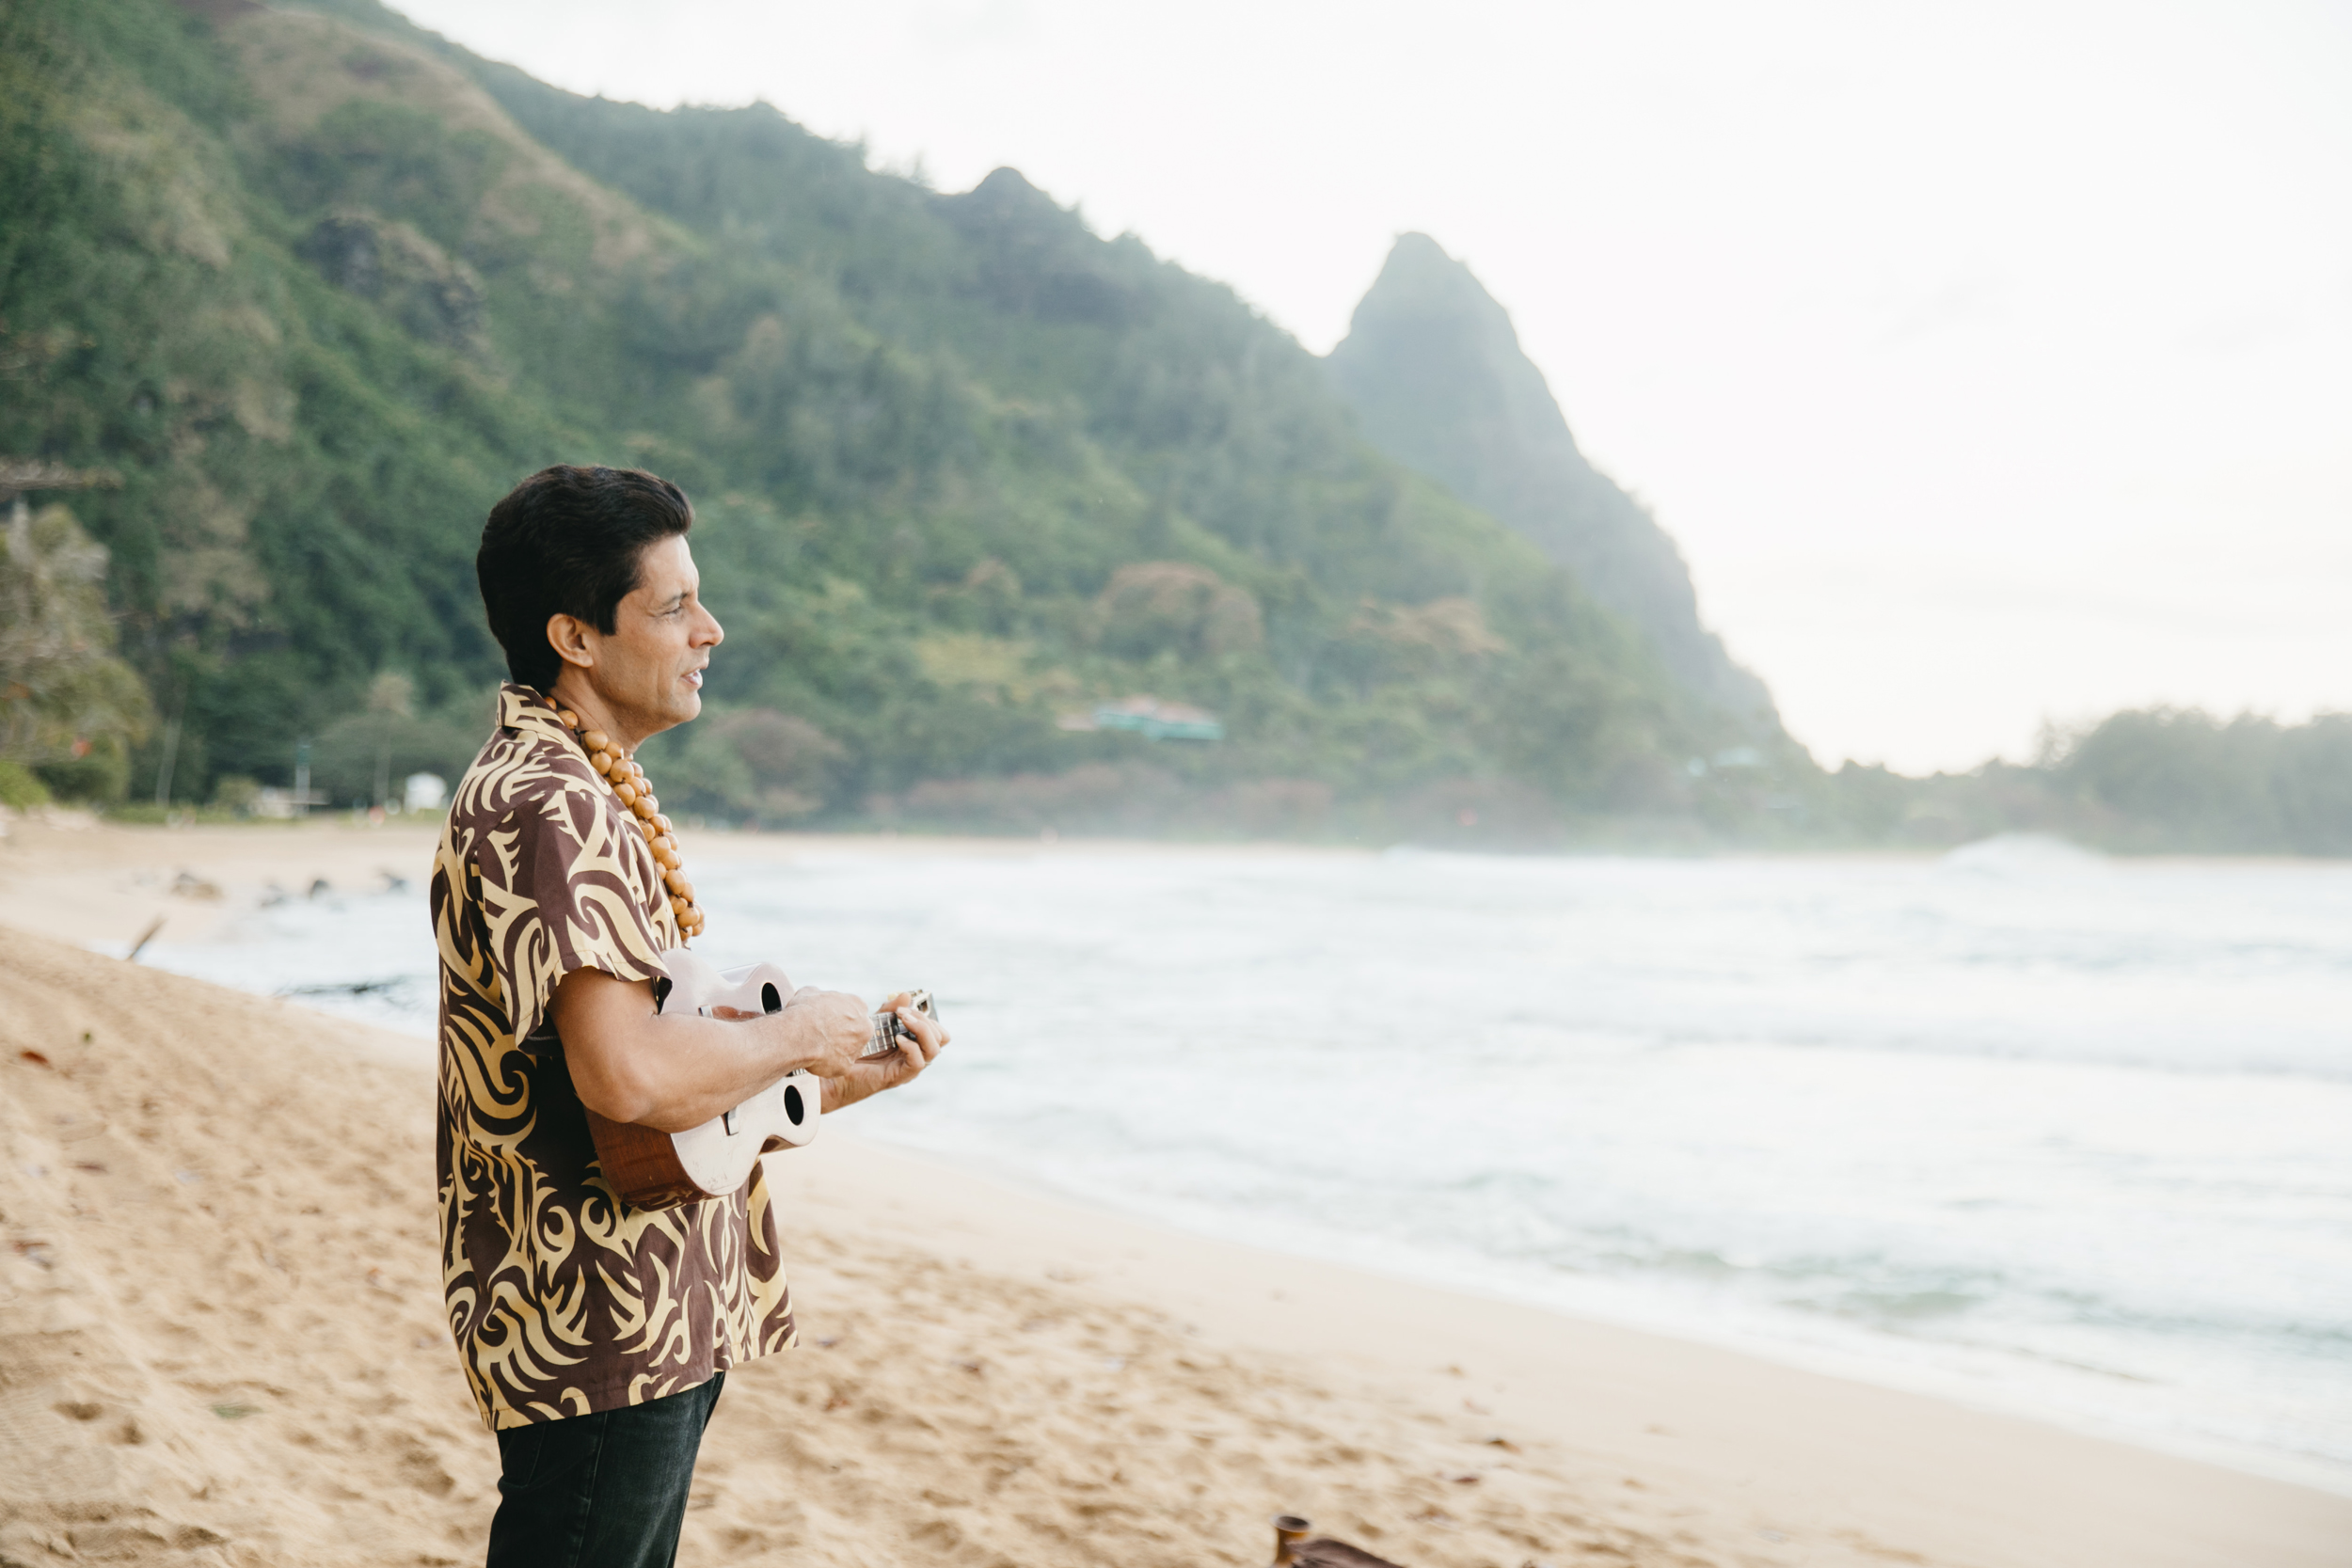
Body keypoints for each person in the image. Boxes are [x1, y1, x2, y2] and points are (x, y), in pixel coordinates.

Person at [431, 465, 947, 1567]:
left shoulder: (587, 785)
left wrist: (856, 1067)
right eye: (672, 607)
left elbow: (671, 1106)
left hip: (643, 1309)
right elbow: (626, 1078)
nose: (709, 629)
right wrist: (800, 1029)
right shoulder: (549, 802)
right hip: (597, 1312)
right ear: (574, 635)